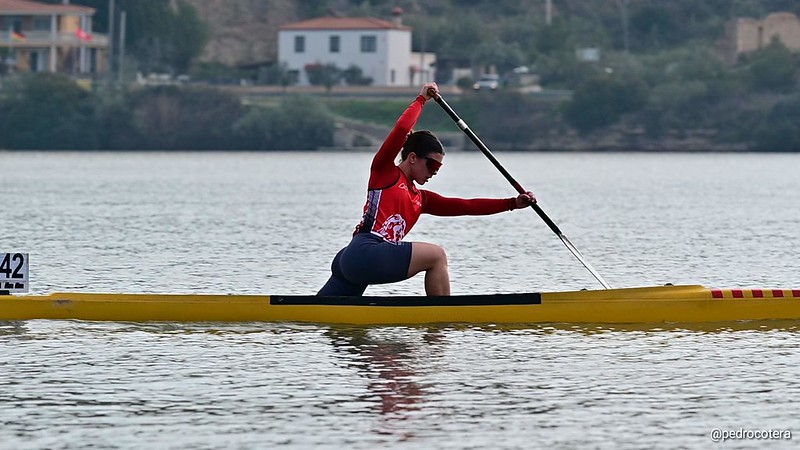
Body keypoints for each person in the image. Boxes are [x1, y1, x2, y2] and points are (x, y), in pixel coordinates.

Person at [317, 82, 536, 297]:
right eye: (432, 165)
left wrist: (512, 204)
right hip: (366, 251)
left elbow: (466, 206)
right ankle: (443, 321)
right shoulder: (385, 173)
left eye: (439, 167)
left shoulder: (421, 199)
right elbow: (402, 128)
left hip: (351, 260)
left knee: (319, 315)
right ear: (412, 158)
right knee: (436, 256)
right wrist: (422, 99)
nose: (435, 172)